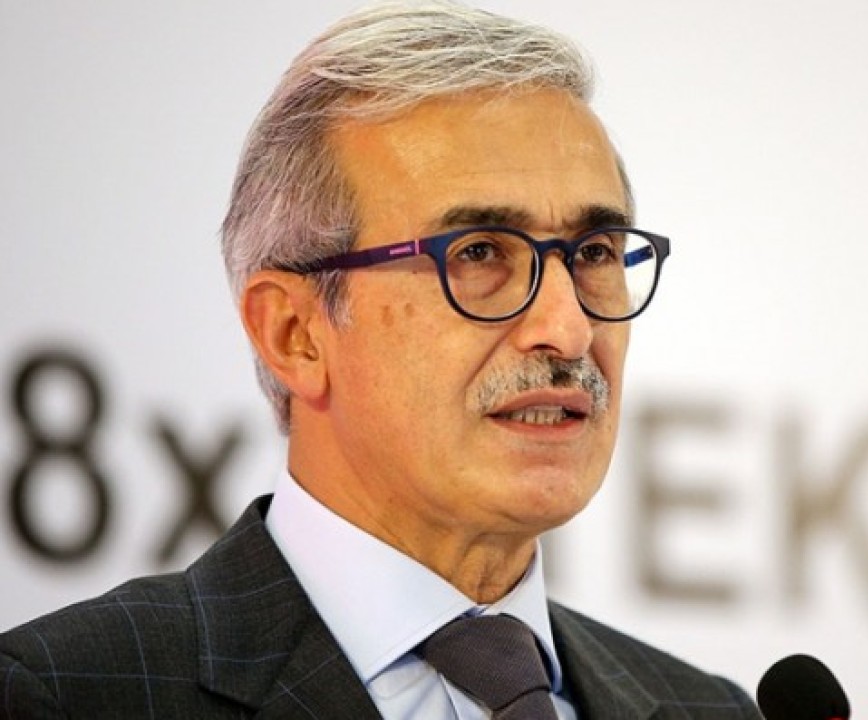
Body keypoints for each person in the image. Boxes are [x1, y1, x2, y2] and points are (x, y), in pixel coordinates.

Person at [0, 2, 762, 718]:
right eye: (479, 253)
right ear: (294, 333)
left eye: (594, 252)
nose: (566, 329)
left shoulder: (714, 710)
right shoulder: (66, 693)